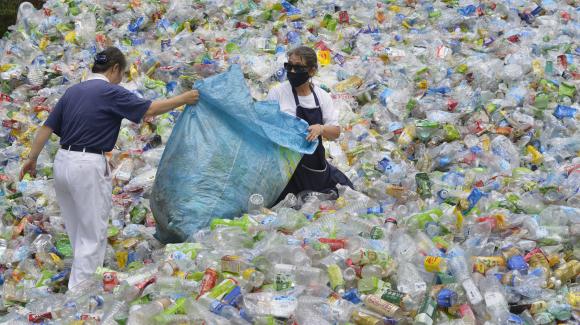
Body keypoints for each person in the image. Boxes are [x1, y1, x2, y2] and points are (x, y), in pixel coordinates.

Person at [19, 47, 200, 291]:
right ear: (115, 69)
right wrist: (183, 99)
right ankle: (79, 295)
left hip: (62, 163)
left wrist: (31, 159)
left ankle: (80, 279)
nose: (121, 79)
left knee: (77, 228)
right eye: (122, 74)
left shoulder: (73, 91)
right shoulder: (110, 91)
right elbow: (149, 110)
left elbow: (46, 128)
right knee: (93, 232)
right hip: (87, 164)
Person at [268, 46, 352, 202]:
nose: (292, 72)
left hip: (313, 166)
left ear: (312, 71)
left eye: (298, 68)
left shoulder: (322, 97)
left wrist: (321, 129)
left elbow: (335, 132)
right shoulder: (277, 93)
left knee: (339, 195)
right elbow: (266, 129)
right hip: (285, 169)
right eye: (289, 66)